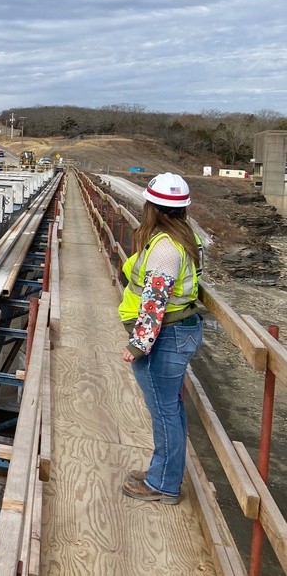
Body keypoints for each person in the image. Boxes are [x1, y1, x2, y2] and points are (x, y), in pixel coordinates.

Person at [118, 172, 204, 504]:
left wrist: (138, 345)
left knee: (164, 410)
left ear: (151, 206)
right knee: (170, 408)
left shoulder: (165, 247)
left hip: (165, 336)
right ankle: (164, 471)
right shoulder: (185, 237)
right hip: (179, 330)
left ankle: (162, 485)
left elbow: (155, 301)